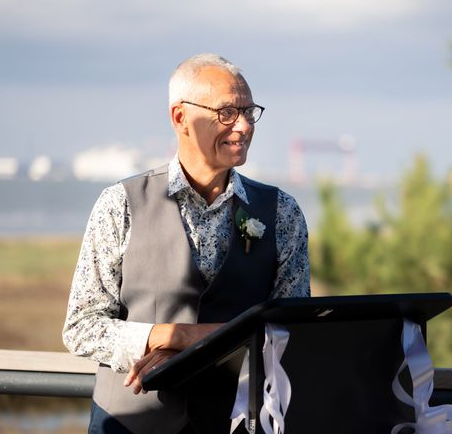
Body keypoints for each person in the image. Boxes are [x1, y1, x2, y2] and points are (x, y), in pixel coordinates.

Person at [63, 53, 310, 434]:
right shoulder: (120, 203)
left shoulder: (282, 212)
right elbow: (81, 325)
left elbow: (294, 330)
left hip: (238, 421)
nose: (243, 126)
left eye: (248, 111)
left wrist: (194, 341)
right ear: (180, 117)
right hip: (130, 424)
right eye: (227, 112)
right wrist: (164, 336)